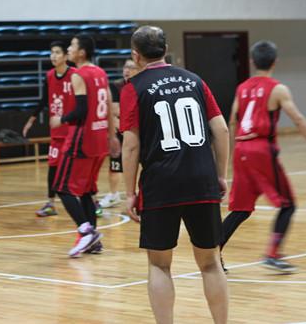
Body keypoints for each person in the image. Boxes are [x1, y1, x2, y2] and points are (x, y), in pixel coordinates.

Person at [120, 26, 230, 324]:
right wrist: (220, 175)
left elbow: (131, 146)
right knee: (210, 262)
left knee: (159, 265)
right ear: (165, 50)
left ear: (136, 55)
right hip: (201, 180)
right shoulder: (195, 80)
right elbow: (221, 130)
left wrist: (129, 193)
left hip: (160, 184)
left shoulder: (133, 88)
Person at [222, 40, 306, 274]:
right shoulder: (278, 89)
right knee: (288, 204)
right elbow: (298, 119)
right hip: (261, 150)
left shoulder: (242, 88)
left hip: (241, 149)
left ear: (252, 61)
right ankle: (272, 255)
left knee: (241, 209)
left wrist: (234, 153)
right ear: (275, 62)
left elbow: (232, 121)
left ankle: (213, 252)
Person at [50, 34, 117, 257]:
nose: (69, 49)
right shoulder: (100, 73)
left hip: (81, 138)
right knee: (87, 190)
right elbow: (108, 105)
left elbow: (81, 111)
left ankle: (85, 230)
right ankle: (93, 242)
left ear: (82, 52)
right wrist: (111, 136)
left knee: (62, 187)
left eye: (72, 46)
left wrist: (61, 119)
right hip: (99, 139)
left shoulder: (78, 75)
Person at [22, 41, 75, 217]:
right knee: (53, 167)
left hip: (73, 131)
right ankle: (51, 204)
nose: (53, 56)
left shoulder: (75, 75)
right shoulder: (50, 75)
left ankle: (93, 200)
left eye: (57, 52)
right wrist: (31, 120)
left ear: (66, 56)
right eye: (52, 52)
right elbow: (44, 99)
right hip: (57, 133)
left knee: (77, 170)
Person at [99, 59, 139, 209]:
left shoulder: (142, 84)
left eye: (131, 67)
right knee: (115, 167)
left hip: (139, 131)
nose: (127, 70)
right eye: (125, 67)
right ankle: (114, 195)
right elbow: (116, 111)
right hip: (123, 131)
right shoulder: (116, 85)